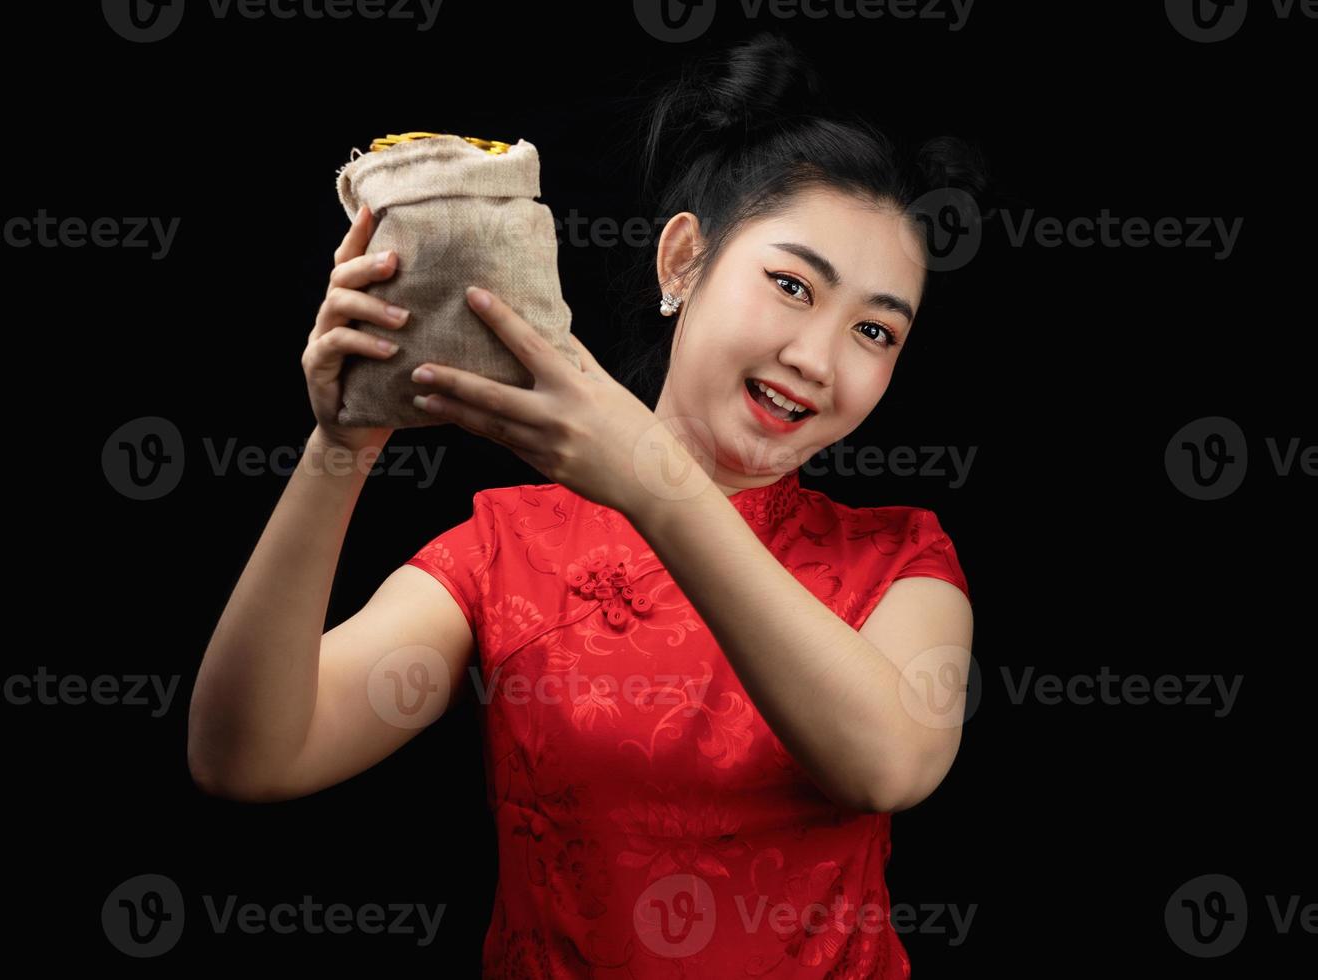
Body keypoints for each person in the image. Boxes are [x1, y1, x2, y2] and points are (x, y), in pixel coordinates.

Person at [188, 30, 987, 979]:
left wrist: (654, 483)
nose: (817, 358)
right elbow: (248, 757)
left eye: (873, 329)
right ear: (682, 261)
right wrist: (342, 443)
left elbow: (885, 766)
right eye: (788, 285)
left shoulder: (902, 561)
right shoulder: (507, 549)